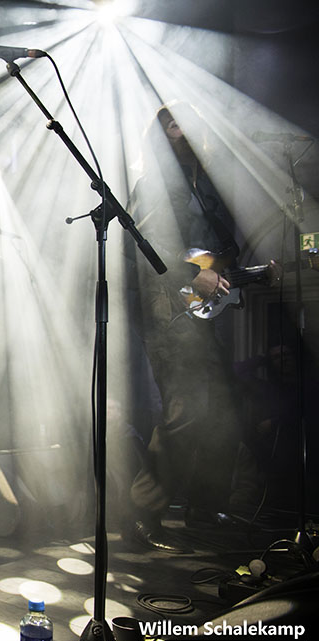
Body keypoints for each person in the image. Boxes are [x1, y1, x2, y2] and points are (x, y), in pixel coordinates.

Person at [123, 102, 276, 553]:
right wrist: (194, 274)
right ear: (166, 132)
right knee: (184, 411)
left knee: (223, 409)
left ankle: (206, 508)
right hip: (167, 311)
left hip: (197, 314)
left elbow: (212, 255)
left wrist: (252, 274)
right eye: (179, 124)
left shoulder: (202, 186)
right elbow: (147, 244)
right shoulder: (158, 182)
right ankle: (142, 514)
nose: (192, 130)